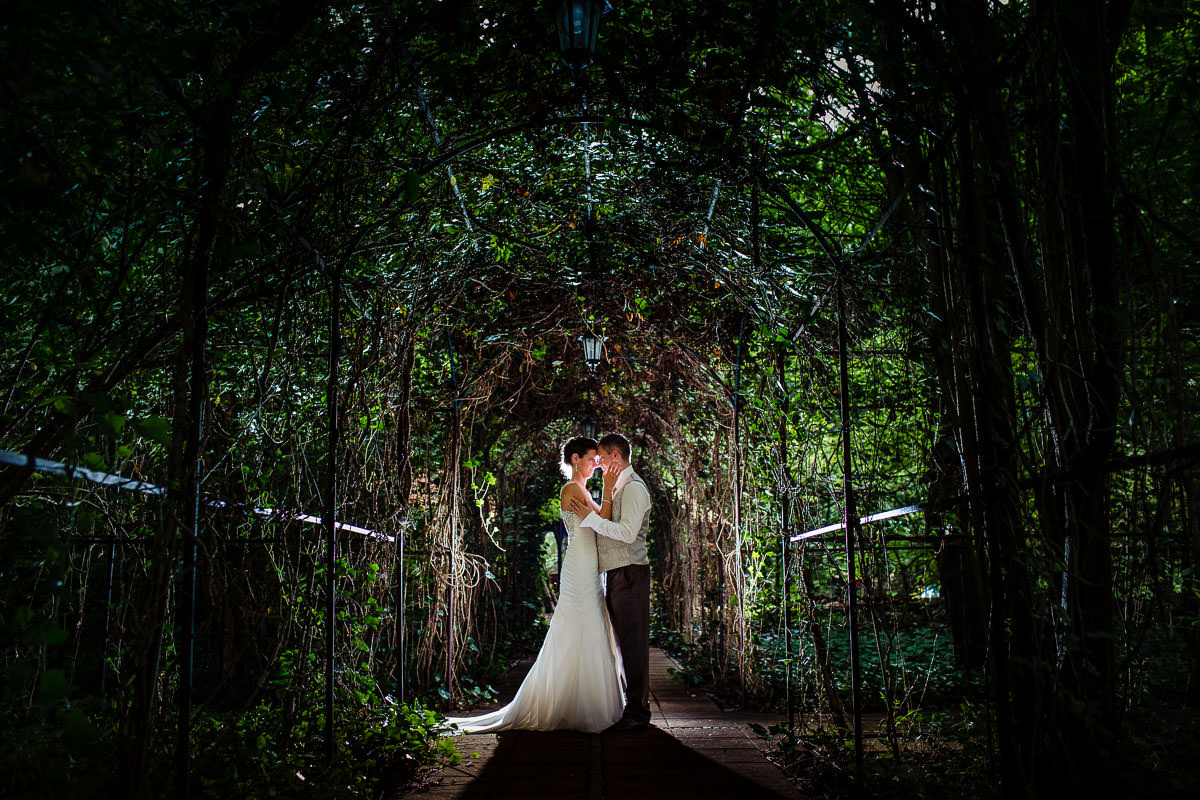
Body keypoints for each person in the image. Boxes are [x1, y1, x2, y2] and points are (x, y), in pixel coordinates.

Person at [445, 436, 623, 734]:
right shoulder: (571, 489)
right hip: (580, 564)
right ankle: (570, 702)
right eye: (593, 459)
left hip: (590, 564)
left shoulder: (581, 489)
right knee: (579, 625)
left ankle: (581, 700)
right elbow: (603, 518)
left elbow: (602, 522)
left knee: (590, 626)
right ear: (576, 458)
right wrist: (607, 489)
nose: (597, 464)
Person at [566, 432, 652, 732]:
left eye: (601, 458)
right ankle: (633, 706)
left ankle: (638, 712)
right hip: (618, 572)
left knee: (634, 644)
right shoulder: (619, 486)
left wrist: (592, 519)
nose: (599, 464)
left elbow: (627, 533)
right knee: (624, 643)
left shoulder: (635, 488)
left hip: (630, 572)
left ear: (615, 455)